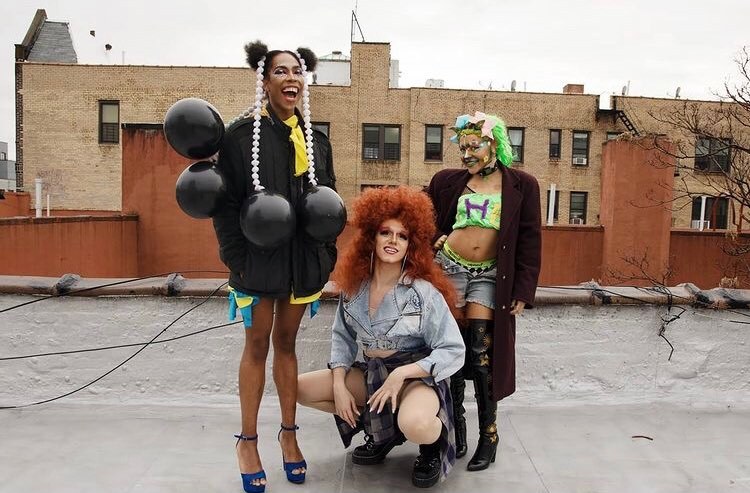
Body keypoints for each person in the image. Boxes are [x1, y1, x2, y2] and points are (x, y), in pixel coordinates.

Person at [211, 40, 338, 493]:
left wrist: (325, 258)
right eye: (280, 71)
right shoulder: (239, 138)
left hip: (302, 266)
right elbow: (224, 207)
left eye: (297, 71)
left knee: (286, 345)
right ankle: (248, 442)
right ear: (264, 81)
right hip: (256, 264)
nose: (291, 78)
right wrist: (237, 259)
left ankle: (288, 435)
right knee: (256, 347)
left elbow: (329, 205)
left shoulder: (316, 141)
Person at [297, 186, 465, 488]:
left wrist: (402, 373)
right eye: (386, 232)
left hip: (414, 379)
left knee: (416, 424)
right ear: (371, 237)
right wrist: (339, 385)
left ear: (411, 244)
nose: (393, 241)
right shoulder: (354, 288)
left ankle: (429, 444)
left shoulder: (422, 292)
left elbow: (453, 349)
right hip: (373, 375)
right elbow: (342, 339)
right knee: (296, 388)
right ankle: (383, 432)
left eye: (402, 236)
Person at [426, 111, 541, 471]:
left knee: (481, 355)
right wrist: (436, 237)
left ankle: (488, 435)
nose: (466, 155)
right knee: (452, 353)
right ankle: (456, 428)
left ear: (494, 144)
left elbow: (530, 238)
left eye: (474, 146)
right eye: (462, 148)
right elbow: (421, 217)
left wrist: (524, 288)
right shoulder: (446, 181)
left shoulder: (523, 185)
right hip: (450, 270)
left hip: (491, 276)